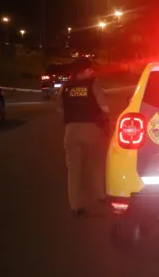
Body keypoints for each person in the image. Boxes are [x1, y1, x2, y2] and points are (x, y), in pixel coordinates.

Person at [57, 58, 110, 216]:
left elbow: (59, 108)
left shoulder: (65, 87)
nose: (91, 71)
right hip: (91, 128)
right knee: (96, 163)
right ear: (84, 71)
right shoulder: (92, 85)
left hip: (71, 131)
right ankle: (100, 195)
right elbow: (105, 108)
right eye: (89, 69)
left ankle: (75, 206)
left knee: (74, 169)